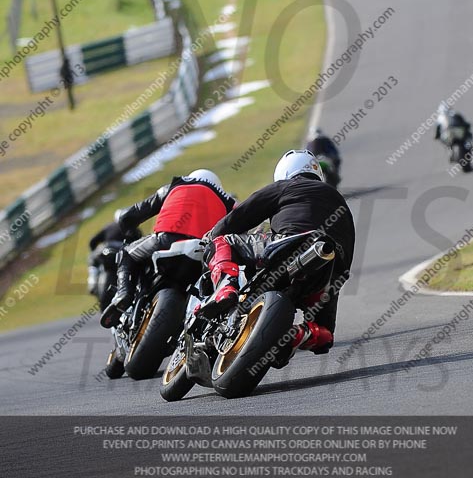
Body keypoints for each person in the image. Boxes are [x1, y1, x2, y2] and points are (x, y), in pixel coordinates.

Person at [200, 150, 355, 362]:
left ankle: (226, 289)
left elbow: (238, 217)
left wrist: (212, 235)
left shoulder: (285, 186)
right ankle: (295, 335)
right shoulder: (340, 201)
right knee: (324, 336)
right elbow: (346, 261)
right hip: (328, 270)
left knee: (223, 242)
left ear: (285, 172)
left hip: (288, 244)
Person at [100, 169, 235, 328]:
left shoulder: (177, 185)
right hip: (205, 254)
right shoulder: (228, 201)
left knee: (126, 253)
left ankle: (123, 294)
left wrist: (128, 228)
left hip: (167, 238)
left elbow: (128, 216)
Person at [87, 211, 141, 295]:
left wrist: (93, 250)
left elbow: (92, 241)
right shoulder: (134, 228)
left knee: (92, 259)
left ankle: (92, 280)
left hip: (106, 248)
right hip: (125, 252)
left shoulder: (109, 226)